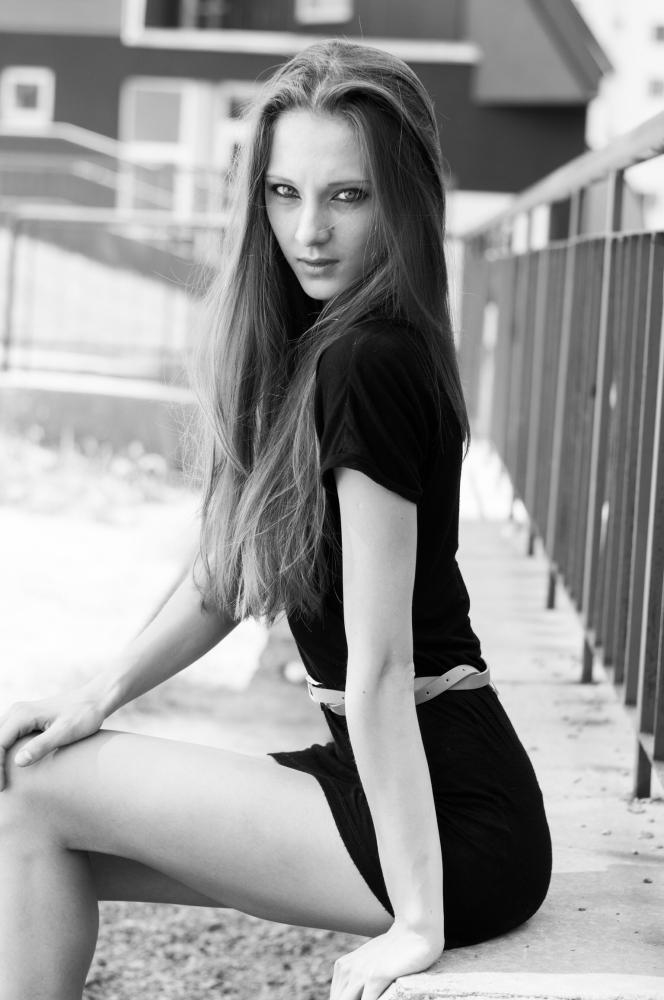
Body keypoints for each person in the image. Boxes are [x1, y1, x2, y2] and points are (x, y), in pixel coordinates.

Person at [0, 39, 551, 1000]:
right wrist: (96, 697)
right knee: (29, 815)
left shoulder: (366, 363)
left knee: (29, 789)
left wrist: (418, 923)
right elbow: (228, 576)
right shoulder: (323, 347)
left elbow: (381, 665)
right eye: (284, 193)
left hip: (449, 816)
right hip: (393, 779)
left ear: (403, 200)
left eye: (348, 196)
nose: (309, 231)